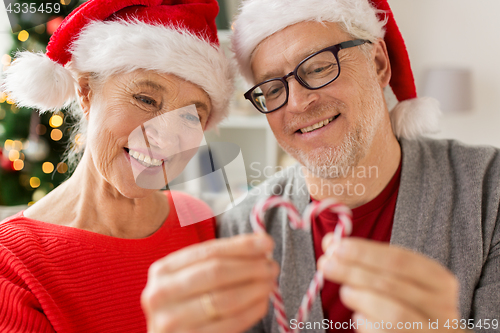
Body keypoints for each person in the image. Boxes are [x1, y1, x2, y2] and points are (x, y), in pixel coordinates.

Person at [219, 0, 500, 332]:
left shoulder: (488, 194)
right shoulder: (243, 231)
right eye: (272, 88)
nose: (296, 103)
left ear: (379, 63)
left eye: (318, 67)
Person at [0, 0, 278, 332]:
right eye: (145, 99)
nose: (166, 137)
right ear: (86, 92)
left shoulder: (201, 220)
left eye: (192, 115)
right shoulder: (12, 264)